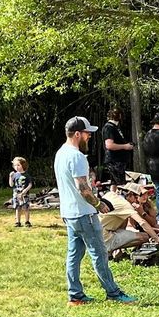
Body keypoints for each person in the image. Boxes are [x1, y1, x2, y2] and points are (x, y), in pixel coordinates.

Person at [54, 116, 136, 305]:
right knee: (99, 253)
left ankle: (75, 295)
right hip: (84, 214)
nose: (89, 136)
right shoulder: (77, 156)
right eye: (87, 133)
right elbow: (83, 189)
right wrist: (99, 205)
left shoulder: (61, 153)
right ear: (77, 134)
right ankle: (113, 293)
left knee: (73, 255)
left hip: (69, 213)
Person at [99, 182, 159, 260]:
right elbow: (142, 222)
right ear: (131, 195)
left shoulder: (110, 194)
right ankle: (109, 250)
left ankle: (114, 251)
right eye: (136, 197)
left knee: (123, 219)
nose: (136, 200)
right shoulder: (126, 206)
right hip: (105, 238)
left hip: (97, 233)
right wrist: (157, 239)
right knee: (145, 237)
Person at [102, 107, 134, 191]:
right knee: (120, 184)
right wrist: (125, 146)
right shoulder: (109, 127)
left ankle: (113, 199)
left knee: (114, 183)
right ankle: (120, 201)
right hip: (115, 161)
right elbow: (109, 145)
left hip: (119, 160)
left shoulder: (115, 127)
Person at [9, 156, 32, 228]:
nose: (16, 167)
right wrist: (10, 177)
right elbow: (11, 185)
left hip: (24, 195)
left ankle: (27, 221)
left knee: (26, 208)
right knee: (17, 208)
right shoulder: (14, 175)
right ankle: (17, 222)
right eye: (15, 165)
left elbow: (30, 184)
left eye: (18, 165)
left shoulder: (26, 175)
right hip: (16, 195)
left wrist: (25, 190)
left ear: (23, 165)